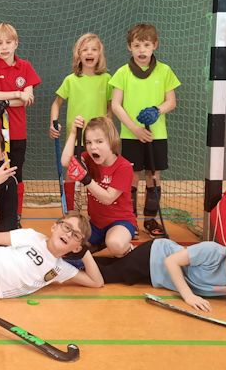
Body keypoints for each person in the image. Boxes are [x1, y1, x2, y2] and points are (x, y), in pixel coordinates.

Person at [93, 232, 226, 315]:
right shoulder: (212, 251)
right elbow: (171, 261)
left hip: (157, 279)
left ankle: (80, 259)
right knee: (105, 276)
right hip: (155, 256)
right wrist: (188, 296)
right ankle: (79, 259)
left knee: (112, 267)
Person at [109, 23, 180, 238]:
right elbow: (116, 105)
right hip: (131, 135)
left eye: (146, 45)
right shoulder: (122, 73)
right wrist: (134, 128)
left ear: (154, 45)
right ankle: (129, 220)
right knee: (131, 176)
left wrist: (157, 110)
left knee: (153, 175)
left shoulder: (164, 71)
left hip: (156, 135)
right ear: (129, 47)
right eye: (137, 45)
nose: (142, 50)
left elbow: (171, 102)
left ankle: (150, 219)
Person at [0, 23, 41, 225]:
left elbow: (27, 99)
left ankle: (15, 214)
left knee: (15, 173)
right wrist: (15, 94)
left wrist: (4, 101)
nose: (4, 47)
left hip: (17, 132)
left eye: (8, 42)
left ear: (16, 43)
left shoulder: (25, 67)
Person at [49, 33, 112, 211]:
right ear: (78, 54)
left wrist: (107, 124)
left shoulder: (107, 79)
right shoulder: (71, 80)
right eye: (85, 50)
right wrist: (53, 123)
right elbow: (56, 104)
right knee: (72, 173)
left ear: (99, 54)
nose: (89, 53)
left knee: (97, 175)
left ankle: (96, 212)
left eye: (94, 49)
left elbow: (111, 107)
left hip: (99, 139)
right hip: (75, 138)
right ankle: (69, 211)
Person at [61, 116, 135, 258]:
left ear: (111, 141)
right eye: (88, 142)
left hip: (120, 222)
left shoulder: (123, 167)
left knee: (115, 244)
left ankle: (130, 250)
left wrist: (86, 179)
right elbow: (65, 162)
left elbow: (108, 198)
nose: (93, 147)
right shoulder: (89, 159)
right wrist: (73, 133)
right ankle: (99, 243)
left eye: (99, 141)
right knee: (69, 249)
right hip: (95, 224)